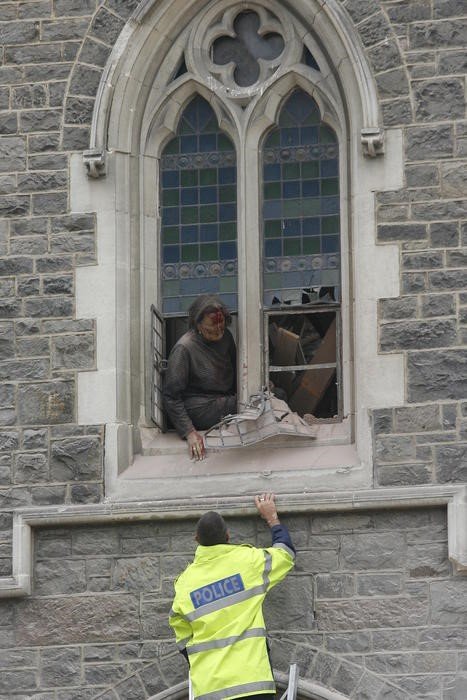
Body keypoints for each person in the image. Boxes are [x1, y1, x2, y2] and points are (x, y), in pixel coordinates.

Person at [169, 493, 295, 700]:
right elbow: (285, 553)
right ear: (228, 536)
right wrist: (272, 518)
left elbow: (182, 637)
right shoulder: (248, 562)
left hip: (210, 689)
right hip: (253, 684)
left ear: (196, 540)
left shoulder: (185, 584)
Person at [163, 294, 237, 460]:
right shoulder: (184, 348)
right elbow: (171, 396)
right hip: (198, 407)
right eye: (211, 330)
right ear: (198, 325)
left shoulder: (226, 337)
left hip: (223, 398)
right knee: (249, 405)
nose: (218, 333)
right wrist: (189, 432)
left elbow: (236, 370)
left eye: (222, 327)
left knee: (265, 396)